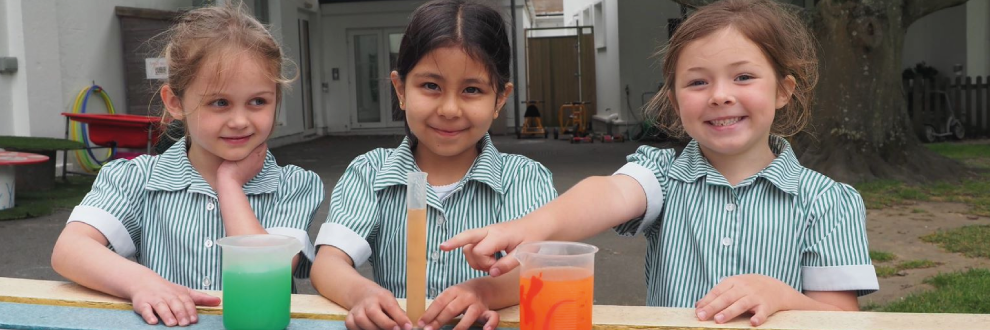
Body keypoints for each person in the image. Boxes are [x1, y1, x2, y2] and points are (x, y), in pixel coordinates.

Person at [441, 0, 878, 326]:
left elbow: (840, 318)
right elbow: (607, 192)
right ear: (674, 101)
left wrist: (780, 295)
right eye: (698, 81)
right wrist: (531, 228)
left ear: (783, 90)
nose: (720, 94)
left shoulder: (829, 202)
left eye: (743, 76)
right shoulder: (663, 176)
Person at [51, 4, 323, 326]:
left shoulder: (292, 186)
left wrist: (230, 185)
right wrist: (140, 283)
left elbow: (266, 276)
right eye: (219, 103)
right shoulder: (135, 178)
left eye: (258, 101)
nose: (240, 120)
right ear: (175, 103)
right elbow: (69, 250)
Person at [309, 1, 557, 329]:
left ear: (499, 99)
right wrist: (361, 294)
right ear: (400, 89)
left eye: (472, 89)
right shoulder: (370, 174)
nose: (450, 109)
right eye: (431, 86)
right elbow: (328, 263)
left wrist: (484, 292)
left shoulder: (524, 179)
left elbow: (540, 268)